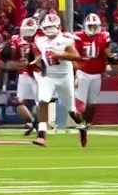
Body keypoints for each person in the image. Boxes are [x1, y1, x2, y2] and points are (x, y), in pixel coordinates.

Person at [32, 13, 89, 148]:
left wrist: (60, 54)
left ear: (58, 27)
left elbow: (77, 56)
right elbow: (43, 54)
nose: (50, 30)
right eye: (47, 27)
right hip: (49, 77)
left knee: (72, 111)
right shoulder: (40, 40)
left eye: (52, 27)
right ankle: (41, 136)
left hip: (65, 77)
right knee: (43, 101)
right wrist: (37, 60)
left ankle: (82, 125)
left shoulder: (66, 40)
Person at [73, 13, 110, 128]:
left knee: (92, 103)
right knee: (80, 102)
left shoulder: (103, 36)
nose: (93, 29)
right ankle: (79, 122)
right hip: (83, 73)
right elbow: (73, 54)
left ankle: (87, 123)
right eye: (90, 26)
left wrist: (108, 64)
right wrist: (75, 67)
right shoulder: (78, 36)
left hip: (97, 74)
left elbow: (106, 53)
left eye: (95, 26)